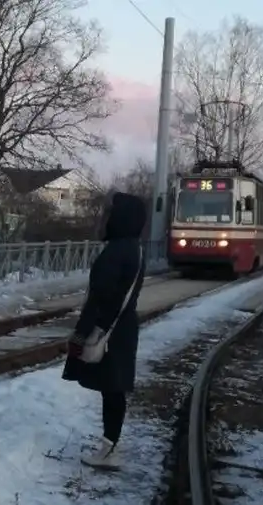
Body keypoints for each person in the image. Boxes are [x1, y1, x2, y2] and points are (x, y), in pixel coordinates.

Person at [62, 191, 147, 469]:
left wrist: (82, 333)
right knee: (114, 389)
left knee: (111, 389)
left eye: (112, 213)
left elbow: (100, 298)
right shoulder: (135, 247)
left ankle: (110, 450)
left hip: (108, 330)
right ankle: (110, 446)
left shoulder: (117, 251)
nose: (107, 218)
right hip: (123, 328)